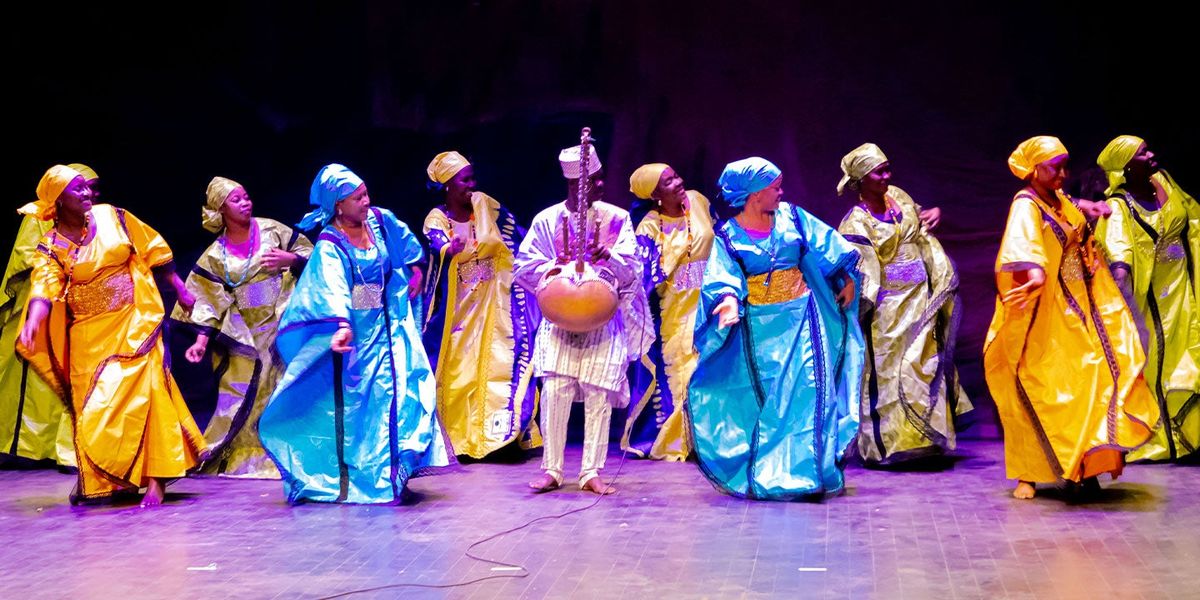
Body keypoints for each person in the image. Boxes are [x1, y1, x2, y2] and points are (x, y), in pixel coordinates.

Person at [258, 164, 450, 504]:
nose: (366, 201)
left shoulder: (380, 220)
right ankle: (367, 479)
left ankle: (397, 471)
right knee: (368, 406)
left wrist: (416, 271)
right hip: (359, 337)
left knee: (409, 392)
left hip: (393, 328)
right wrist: (343, 325)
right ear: (338, 205)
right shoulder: (330, 244)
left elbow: (408, 250)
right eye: (356, 197)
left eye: (365, 193)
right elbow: (331, 287)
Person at [17, 165, 204, 506]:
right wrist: (33, 321)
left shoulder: (112, 216)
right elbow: (45, 286)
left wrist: (179, 288)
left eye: (88, 188)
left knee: (149, 394)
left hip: (134, 317)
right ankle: (106, 478)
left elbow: (151, 249)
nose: (88, 194)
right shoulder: (50, 246)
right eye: (78, 191)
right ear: (58, 201)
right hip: (88, 334)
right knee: (94, 409)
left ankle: (156, 479)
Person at [984, 136, 1158, 499]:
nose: (1063, 174)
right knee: (1041, 386)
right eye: (1054, 168)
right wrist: (1033, 272)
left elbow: (1067, 213)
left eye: (1065, 165)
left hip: (1079, 303)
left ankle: (1084, 463)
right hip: (1044, 308)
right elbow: (1022, 243)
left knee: (1094, 377)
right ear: (1033, 170)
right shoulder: (1025, 204)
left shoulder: (1058, 198)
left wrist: (1088, 207)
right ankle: (1030, 473)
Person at [689, 157, 864, 500]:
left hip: (802, 318)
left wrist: (843, 276)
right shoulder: (727, 235)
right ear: (754, 195)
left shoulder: (792, 217)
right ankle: (773, 472)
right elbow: (722, 277)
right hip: (760, 331)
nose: (781, 193)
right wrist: (727, 301)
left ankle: (808, 474)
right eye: (775, 188)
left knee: (809, 394)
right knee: (772, 403)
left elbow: (825, 246)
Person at [514, 143, 650, 494]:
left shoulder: (617, 218)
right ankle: (553, 469)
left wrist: (608, 258)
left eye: (602, 179)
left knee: (598, 392)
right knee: (555, 390)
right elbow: (524, 265)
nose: (602, 186)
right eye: (595, 180)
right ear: (575, 185)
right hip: (560, 322)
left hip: (602, 323)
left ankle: (591, 471)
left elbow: (633, 270)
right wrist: (555, 268)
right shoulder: (547, 220)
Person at [835, 143, 971, 466]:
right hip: (887, 310)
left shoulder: (898, 197)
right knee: (890, 375)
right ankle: (891, 446)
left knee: (925, 367)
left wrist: (933, 213)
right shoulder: (855, 222)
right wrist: (863, 303)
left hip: (920, 300)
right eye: (879, 172)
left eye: (887, 169)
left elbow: (920, 220)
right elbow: (861, 269)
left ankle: (927, 441)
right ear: (862, 179)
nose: (887, 176)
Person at [171, 176, 312, 478]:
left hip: (283, 321)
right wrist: (200, 342)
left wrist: (291, 260)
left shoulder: (273, 230)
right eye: (236, 200)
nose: (245, 203)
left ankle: (293, 450)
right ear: (221, 210)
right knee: (249, 393)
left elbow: (312, 256)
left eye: (246, 196)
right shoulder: (215, 255)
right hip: (246, 335)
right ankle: (253, 456)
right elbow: (208, 302)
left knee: (286, 387)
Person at [420, 151, 540, 459]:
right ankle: (459, 439)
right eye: (464, 180)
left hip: (494, 305)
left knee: (497, 367)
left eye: (473, 177)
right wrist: (450, 247)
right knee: (461, 375)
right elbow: (437, 243)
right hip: (458, 311)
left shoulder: (486, 207)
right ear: (447, 185)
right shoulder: (438, 217)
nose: (472, 185)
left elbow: (519, 237)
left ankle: (496, 438)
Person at [1094, 135, 1200, 461]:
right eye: (1142, 153)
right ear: (1126, 165)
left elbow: (1192, 215)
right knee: (1163, 360)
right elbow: (1118, 253)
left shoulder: (1163, 180)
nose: (1152, 154)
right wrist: (1122, 289)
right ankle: (1161, 440)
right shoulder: (1117, 206)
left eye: (1148, 148)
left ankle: (1190, 436)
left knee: (1191, 351)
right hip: (1153, 300)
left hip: (1184, 286)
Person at [0, 164, 98, 467]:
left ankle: (67, 451)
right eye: (82, 186)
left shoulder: (97, 219)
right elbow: (28, 259)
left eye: (93, 187)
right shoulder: (38, 218)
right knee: (37, 383)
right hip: (40, 304)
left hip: (78, 307)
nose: (90, 193)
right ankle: (26, 449)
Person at [623, 163, 714, 461]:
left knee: (714, 370)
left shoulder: (698, 201)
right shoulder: (649, 226)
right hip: (675, 310)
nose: (678, 182)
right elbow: (645, 277)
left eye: (676, 175)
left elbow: (721, 239)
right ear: (655, 194)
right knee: (687, 373)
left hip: (711, 302)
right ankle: (689, 440)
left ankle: (716, 439)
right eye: (668, 182)